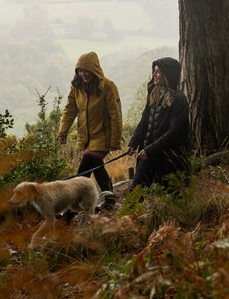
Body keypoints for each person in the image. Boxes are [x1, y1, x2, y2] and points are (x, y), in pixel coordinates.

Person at [57, 52, 122, 209]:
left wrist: (114, 141)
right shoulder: (77, 88)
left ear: (94, 70)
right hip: (86, 137)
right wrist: (62, 132)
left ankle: (71, 209)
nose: (83, 74)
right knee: (97, 166)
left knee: (83, 171)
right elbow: (70, 110)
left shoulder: (107, 86)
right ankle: (110, 200)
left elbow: (116, 115)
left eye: (86, 70)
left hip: (103, 136)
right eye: (80, 70)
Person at [126, 57, 191, 193]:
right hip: (147, 154)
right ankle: (128, 215)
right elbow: (144, 121)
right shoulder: (153, 93)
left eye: (158, 72)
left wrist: (150, 150)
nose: (154, 75)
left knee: (172, 195)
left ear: (167, 75)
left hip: (168, 157)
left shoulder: (179, 100)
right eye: (154, 71)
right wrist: (134, 142)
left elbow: (174, 132)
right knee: (135, 193)